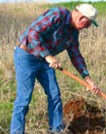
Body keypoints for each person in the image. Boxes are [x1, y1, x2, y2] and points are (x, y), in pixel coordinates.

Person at [10, 3, 99, 134]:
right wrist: (48, 56)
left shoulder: (73, 32)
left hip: (44, 60)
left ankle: (56, 130)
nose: (87, 27)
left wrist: (87, 78)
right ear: (81, 18)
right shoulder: (58, 14)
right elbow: (33, 33)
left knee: (54, 95)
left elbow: (75, 55)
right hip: (26, 55)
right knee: (24, 98)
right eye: (88, 24)